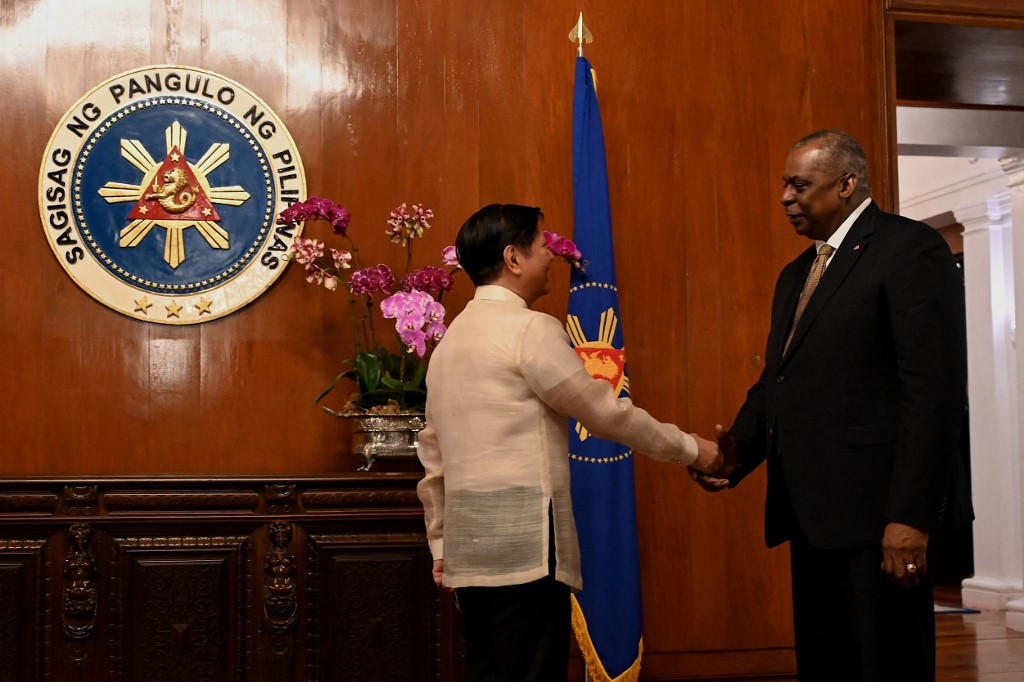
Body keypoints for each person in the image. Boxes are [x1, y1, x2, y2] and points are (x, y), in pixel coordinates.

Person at [692, 129, 972, 680]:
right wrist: (736, 455)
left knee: (886, 664)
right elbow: (779, 381)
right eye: (784, 185)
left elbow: (932, 390)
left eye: (799, 184)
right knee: (828, 665)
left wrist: (911, 516)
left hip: (881, 519)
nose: (785, 198)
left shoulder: (908, 248)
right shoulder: (796, 274)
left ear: (847, 184)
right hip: (813, 516)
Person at [417, 203, 723, 682]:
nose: (553, 257)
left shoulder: (449, 344)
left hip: (469, 552)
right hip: (529, 549)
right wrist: (692, 448)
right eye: (543, 246)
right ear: (513, 258)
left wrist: (440, 546)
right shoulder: (530, 330)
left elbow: (432, 459)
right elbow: (604, 414)